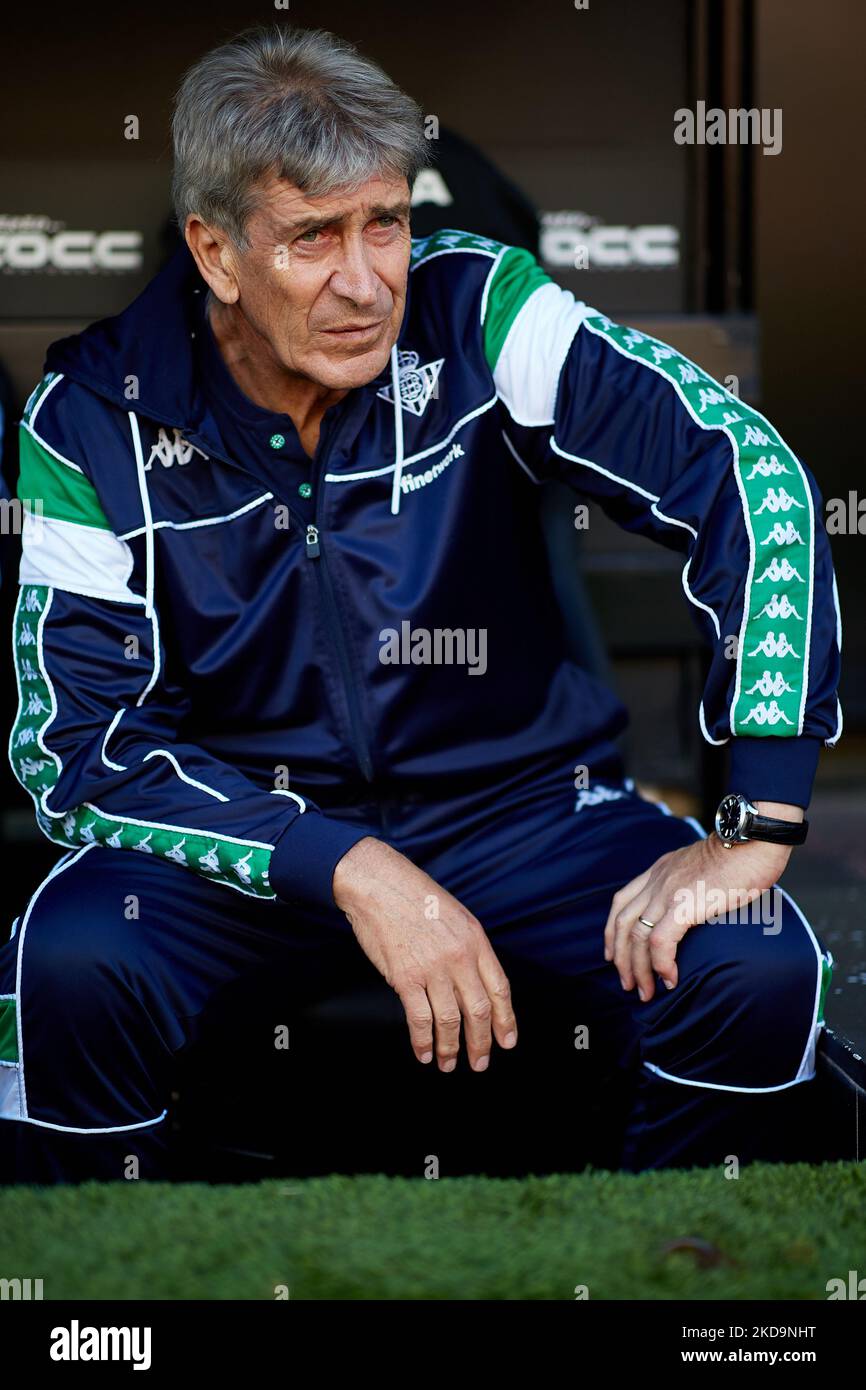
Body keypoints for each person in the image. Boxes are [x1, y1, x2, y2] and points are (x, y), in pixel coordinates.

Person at [0, 24, 841, 1183]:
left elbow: (748, 477)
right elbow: (81, 751)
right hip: (244, 837)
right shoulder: (90, 416)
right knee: (74, 956)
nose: (364, 282)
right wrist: (346, 862)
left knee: (751, 958)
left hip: (522, 812)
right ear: (215, 250)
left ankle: (678, 1262)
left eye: (382, 224)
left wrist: (758, 820)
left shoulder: (476, 310)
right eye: (310, 239)